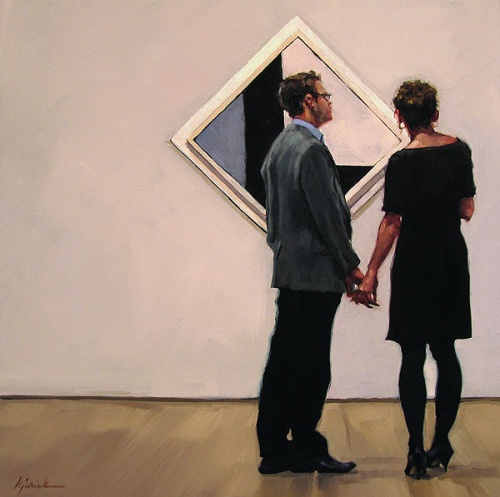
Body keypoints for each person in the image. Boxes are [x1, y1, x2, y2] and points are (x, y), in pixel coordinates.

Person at [355, 80, 476, 479]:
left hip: (413, 263)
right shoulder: (459, 151)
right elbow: (467, 209)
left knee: (412, 354)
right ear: (435, 114)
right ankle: (442, 442)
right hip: (449, 259)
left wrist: (372, 271)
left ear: (400, 117)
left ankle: (415, 449)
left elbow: (392, 223)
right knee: (445, 350)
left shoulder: (401, 162)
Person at [257, 70, 365, 475]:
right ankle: (306, 447)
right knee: (312, 366)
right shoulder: (312, 151)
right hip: (317, 276)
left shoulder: (279, 147)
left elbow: (274, 220)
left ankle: (274, 449)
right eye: (324, 95)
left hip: (290, 272)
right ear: (308, 101)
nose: (329, 102)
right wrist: (351, 266)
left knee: (283, 361)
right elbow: (329, 219)